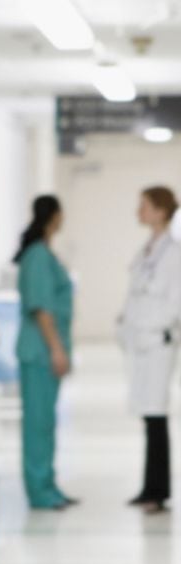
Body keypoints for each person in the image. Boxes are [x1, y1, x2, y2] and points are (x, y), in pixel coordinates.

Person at [118, 186, 181, 513]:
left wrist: (148, 326)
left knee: (156, 415)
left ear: (160, 210)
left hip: (157, 343)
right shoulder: (148, 250)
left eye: (144, 205)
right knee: (148, 415)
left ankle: (158, 492)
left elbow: (174, 304)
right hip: (141, 343)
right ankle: (149, 488)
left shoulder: (174, 253)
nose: (138, 211)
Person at [14, 195, 76, 510]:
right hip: (40, 351)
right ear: (54, 216)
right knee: (38, 423)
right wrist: (56, 349)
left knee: (46, 422)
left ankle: (49, 485)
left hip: (44, 350)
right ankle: (39, 491)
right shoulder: (38, 256)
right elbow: (42, 310)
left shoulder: (43, 253)